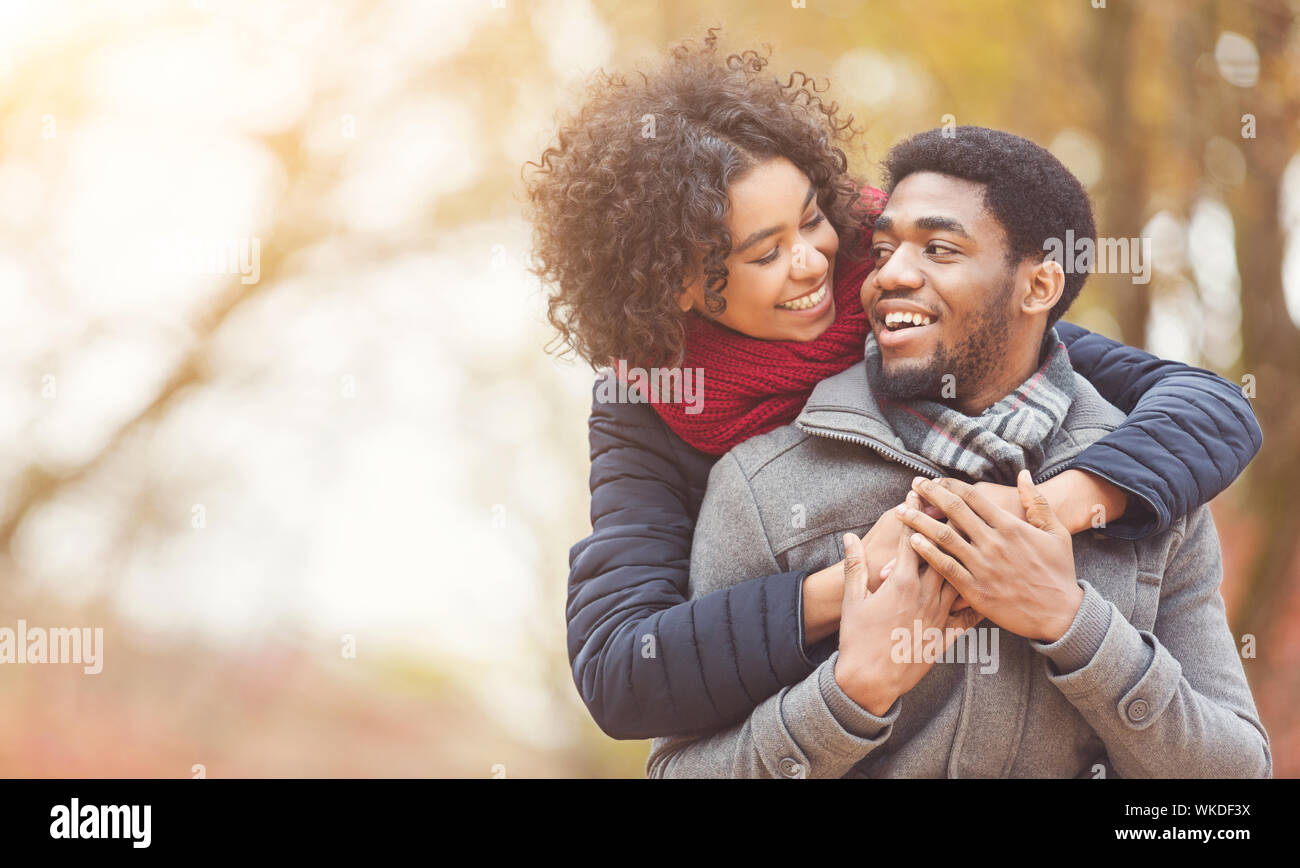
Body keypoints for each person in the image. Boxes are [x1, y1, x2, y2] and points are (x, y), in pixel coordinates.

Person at [523, 30, 1263, 741]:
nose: (813, 262)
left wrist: (1044, 512)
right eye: (765, 253)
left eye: (811, 220)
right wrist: (847, 592)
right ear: (681, 286)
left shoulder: (901, 297)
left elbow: (1209, 406)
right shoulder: (651, 402)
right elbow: (622, 669)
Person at [645, 126, 1269, 778]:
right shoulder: (762, 484)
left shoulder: (1145, 496)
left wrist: (1071, 622)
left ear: (1038, 286)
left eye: (939, 249)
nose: (890, 275)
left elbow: (1231, 785)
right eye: (883, 249)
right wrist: (850, 694)